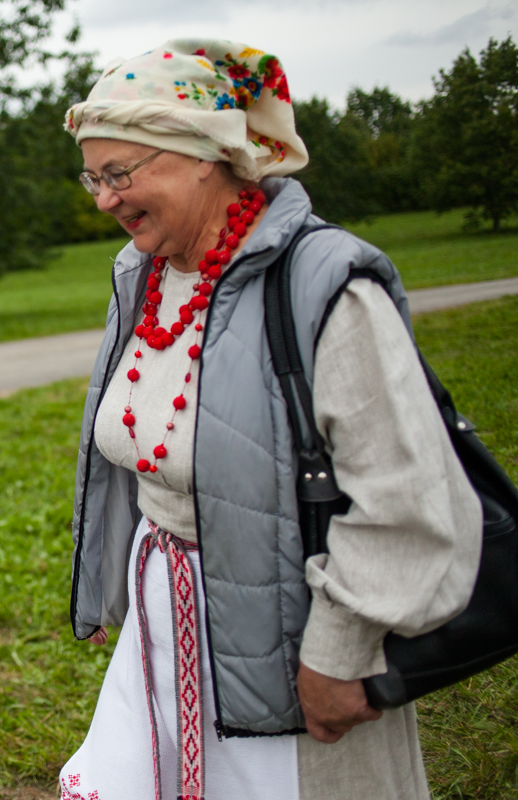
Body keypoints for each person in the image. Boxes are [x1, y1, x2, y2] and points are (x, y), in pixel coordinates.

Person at [58, 39, 481, 800]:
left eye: (120, 173)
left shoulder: (322, 285)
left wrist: (338, 655)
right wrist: (113, 590)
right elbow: (142, 453)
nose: (104, 200)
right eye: (93, 175)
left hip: (292, 637)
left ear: (206, 154)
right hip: (167, 629)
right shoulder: (146, 275)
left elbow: (407, 499)